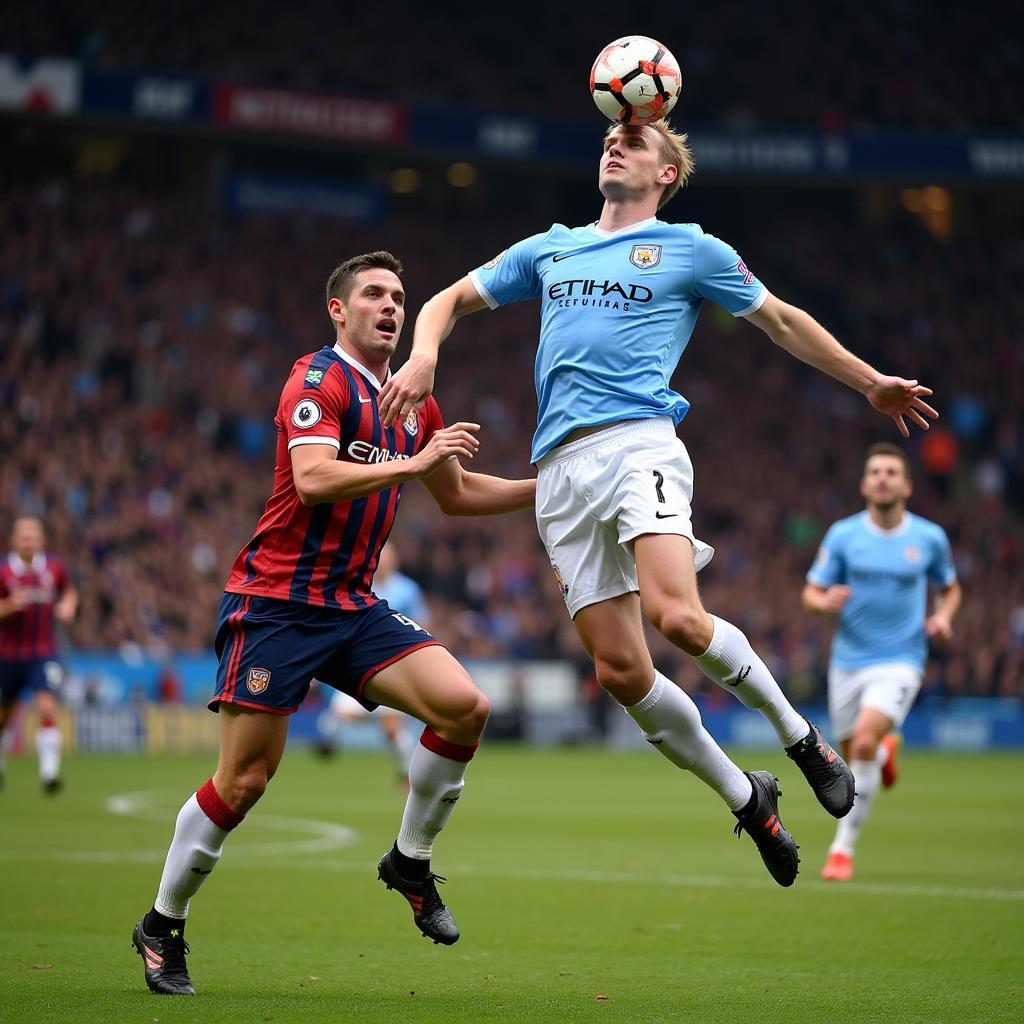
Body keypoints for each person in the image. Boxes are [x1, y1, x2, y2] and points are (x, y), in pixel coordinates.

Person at [378, 118, 939, 887]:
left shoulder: (693, 248)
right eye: (611, 135)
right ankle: (748, 798)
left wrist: (868, 379)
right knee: (619, 672)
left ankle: (801, 738)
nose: (616, 144)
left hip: (639, 443)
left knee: (676, 615)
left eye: (637, 142)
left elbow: (780, 321)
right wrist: (426, 351)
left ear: (666, 174)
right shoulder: (550, 247)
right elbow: (444, 300)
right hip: (561, 472)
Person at [131, 251, 535, 996]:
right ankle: (163, 922)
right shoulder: (317, 380)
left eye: (400, 297)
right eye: (374, 294)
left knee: (464, 707)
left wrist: (550, 492)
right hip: (278, 604)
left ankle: (409, 861)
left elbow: (458, 492)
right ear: (338, 311)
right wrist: (412, 468)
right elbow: (314, 478)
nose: (391, 306)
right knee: (245, 780)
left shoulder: (415, 402)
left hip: (351, 605)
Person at [804, 442, 960, 881]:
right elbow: (810, 594)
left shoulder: (928, 538)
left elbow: (950, 587)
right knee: (853, 756)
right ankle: (887, 747)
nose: (883, 478)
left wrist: (944, 617)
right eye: (875, 472)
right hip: (848, 662)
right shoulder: (843, 535)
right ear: (863, 484)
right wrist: (824, 601)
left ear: (907, 485)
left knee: (864, 746)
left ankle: (842, 850)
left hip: (901, 659)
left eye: (892, 471)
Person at [315, 544, 425, 788]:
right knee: (338, 715)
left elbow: (421, 623)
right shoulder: (363, 586)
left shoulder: (407, 589)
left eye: (388, 556)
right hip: (363, 664)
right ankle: (336, 737)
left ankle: (406, 777)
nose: (383, 561)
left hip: (396, 664)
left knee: (392, 730)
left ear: (395, 561)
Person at [0, 516, 77, 794]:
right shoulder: (4, 571)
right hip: (7, 655)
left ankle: (49, 773)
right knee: (3, 716)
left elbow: (69, 591)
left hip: (43, 653)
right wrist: (9, 605)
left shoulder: (54, 568)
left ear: (41, 539)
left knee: (46, 707)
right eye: (24, 536)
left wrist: (68, 605)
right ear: (14, 540)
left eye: (33, 536)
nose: (29, 541)